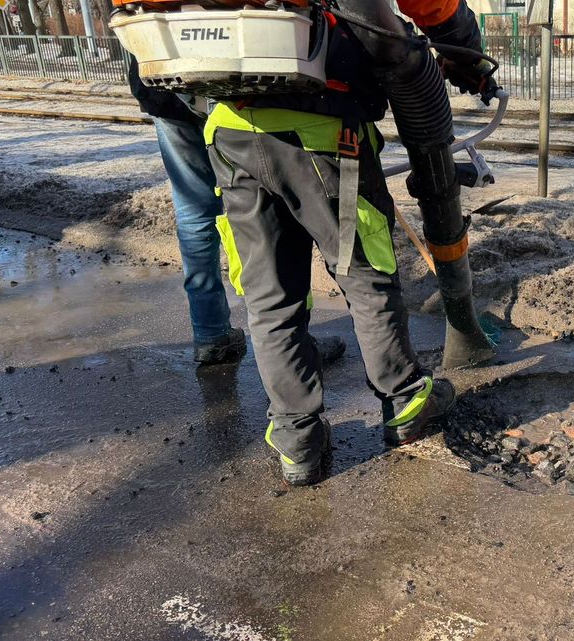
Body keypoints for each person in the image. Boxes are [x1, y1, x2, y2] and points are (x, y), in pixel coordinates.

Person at [202, 0, 498, 485]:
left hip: (230, 132)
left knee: (269, 295)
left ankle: (298, 443)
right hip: (323, 134)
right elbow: (431, 8)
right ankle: (405, 401)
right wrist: (466, 53)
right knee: (364, 273)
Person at [129, 66, 347, 366]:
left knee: (195, 213)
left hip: (165, 86)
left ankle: (210, 334)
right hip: (234, 90)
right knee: (270, 214)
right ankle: (295, 343)